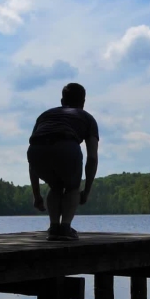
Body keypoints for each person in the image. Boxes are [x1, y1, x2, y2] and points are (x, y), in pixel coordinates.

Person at [27, 83, 99, 240]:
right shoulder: (87, 118)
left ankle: (54, 227)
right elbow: (92, 157)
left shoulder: (45, 116)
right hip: (66, 146)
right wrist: (85, 191)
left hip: (36, 151)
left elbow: (33, 157)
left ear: (62, 100)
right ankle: (65, 227)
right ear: (83, 101)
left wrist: (37, 195)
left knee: (56, 186)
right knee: (72, 187)